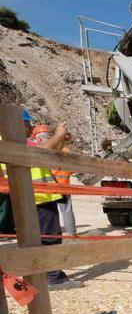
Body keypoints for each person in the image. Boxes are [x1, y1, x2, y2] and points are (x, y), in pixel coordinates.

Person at [24, 115, 81, 289]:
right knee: (50, 238)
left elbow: (49, 155)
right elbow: (40, 153)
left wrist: (60, 141)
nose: (30, 126)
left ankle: (45, 274)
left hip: (39, 196)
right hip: (37, 196)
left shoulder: (23, 141)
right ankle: (53, 277)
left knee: (44, 237)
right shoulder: (14, 142)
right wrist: (57, 135)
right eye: (27, 122)